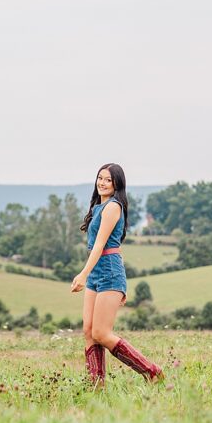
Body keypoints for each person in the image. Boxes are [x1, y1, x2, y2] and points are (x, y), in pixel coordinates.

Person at [70, 163, 164, 387]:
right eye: (100, 178)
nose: (102, 183)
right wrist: (88, 274)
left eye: (108, 180)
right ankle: (96, 386)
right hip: (97, 271)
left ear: (117, 184)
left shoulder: (113, 207)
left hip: (109, 270)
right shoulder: (96, 208)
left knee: (102, 333)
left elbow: (100, 245)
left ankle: (152, 372)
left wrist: (83, 274)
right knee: (89, 331)